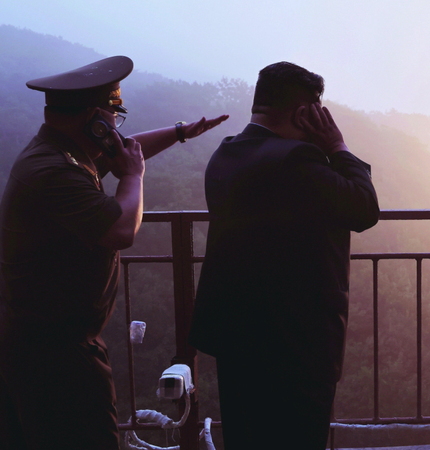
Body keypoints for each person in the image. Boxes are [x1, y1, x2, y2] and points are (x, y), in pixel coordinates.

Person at [0, 55, 228, 449]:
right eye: (113, 118)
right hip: (54, 354)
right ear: (95, 120)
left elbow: (125, 149)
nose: (117, 130)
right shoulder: (54, 171)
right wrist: (133, 176)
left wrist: (180, 132)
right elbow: (122, 229)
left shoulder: (61, 152)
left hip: (44, 342)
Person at [189, 62, 380, 449]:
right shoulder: (296, 161)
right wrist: (337, 146)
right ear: (304, 113)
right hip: (295, 347)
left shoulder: (226, 153)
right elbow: (364, 208)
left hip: (236, 338)